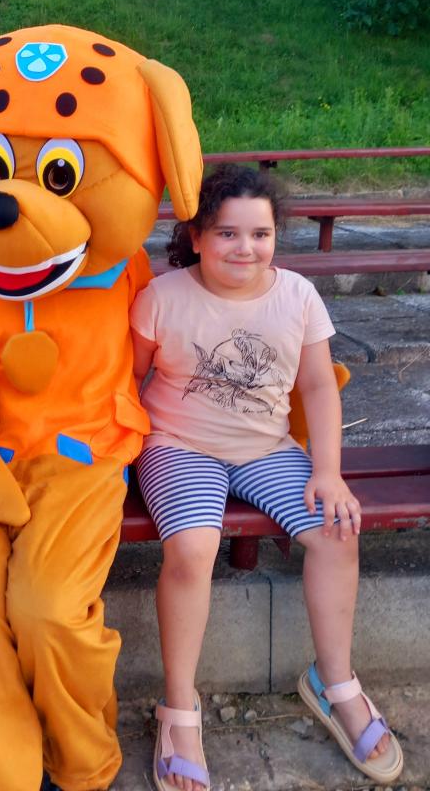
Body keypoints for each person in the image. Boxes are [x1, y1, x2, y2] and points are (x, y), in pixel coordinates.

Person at [129, 164, 403, 791]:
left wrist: (328, 472)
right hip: (178, 445)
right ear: (196, 236)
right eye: (227, 233)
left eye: (261, 234)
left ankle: (335, 683)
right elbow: (127, 382)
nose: (245, 248)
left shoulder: (297, 296)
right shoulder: (163, 298)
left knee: (336, 530)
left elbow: (318, 387)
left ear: (277, 235)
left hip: (267, 447)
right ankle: (179, 708)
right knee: (193, 547)